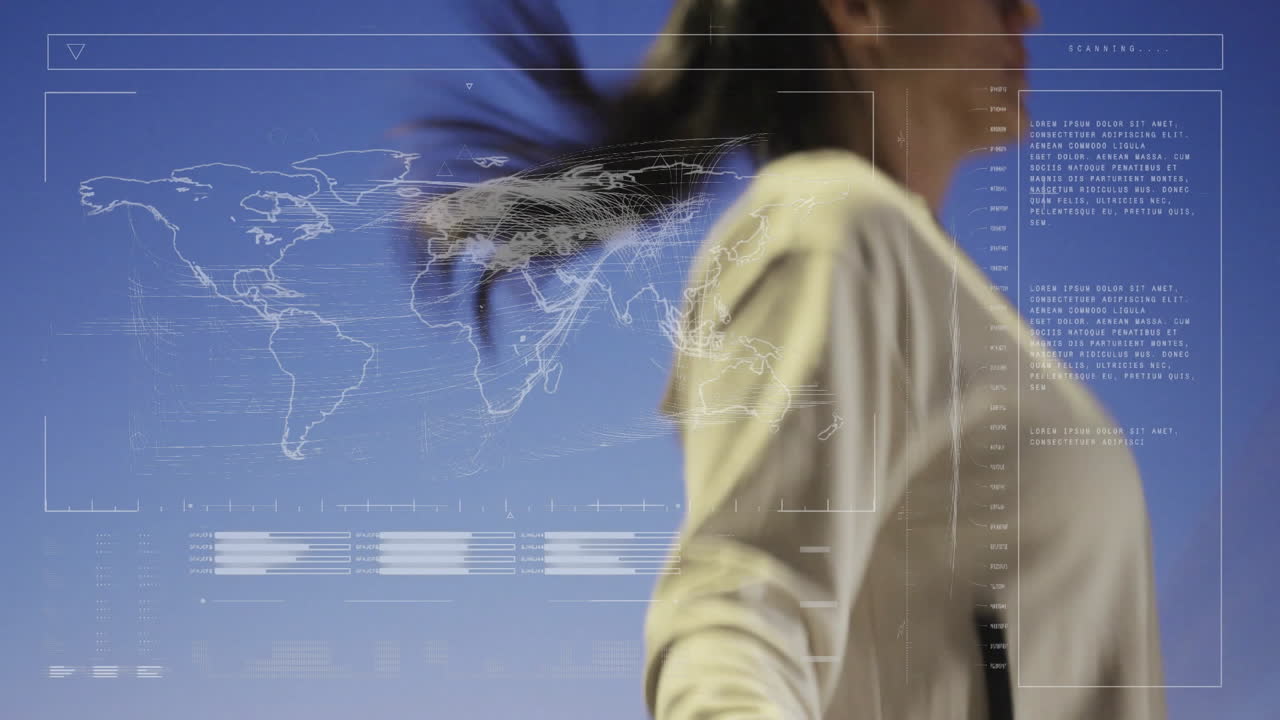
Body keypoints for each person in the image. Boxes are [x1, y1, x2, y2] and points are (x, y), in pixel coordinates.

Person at [408, 0, 1167, 717]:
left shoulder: (924, 275)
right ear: (859, 8)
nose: (1025, 11)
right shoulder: (833, 225)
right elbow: (740, 607)